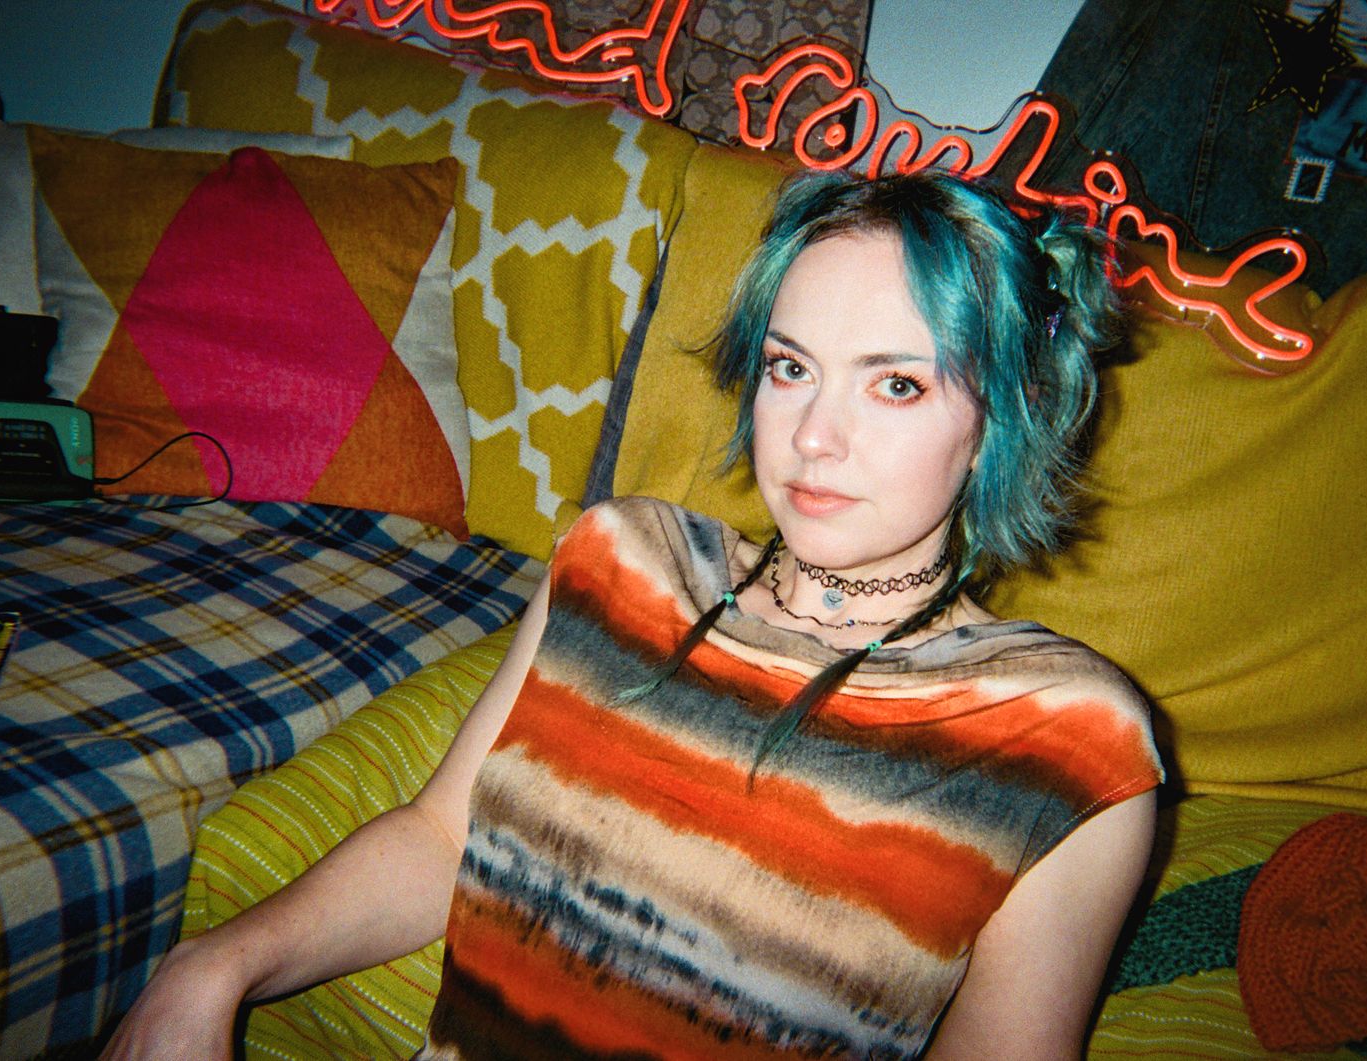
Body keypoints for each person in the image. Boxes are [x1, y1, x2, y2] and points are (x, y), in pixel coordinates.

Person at [102, 169, 1162, 1061]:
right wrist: (214, 964)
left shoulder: (1069, 742)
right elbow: (440, 836)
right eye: (790, 367)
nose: (812, 436)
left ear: (1003, 416)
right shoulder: (620, 558)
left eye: (895, 386)